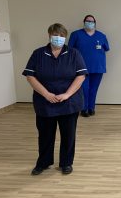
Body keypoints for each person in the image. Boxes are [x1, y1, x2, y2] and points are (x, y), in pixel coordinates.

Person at [23, 23, 88, 175]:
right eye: (55, 35)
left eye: (61, 36)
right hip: (45, 102)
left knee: (68, 134)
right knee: (45, 134)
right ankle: (44, 162)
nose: (58, 38)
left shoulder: (74, 53)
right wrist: (46, 94)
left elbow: (81, 76)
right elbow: (30, 76)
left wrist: (66, 94)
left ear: (65, 37)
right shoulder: (38, 53)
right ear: (49, 36)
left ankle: (66, 163)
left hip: (69, 102)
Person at [68, 15, 110, 117]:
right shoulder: (76, 34)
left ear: (95, 23)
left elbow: (106, 48)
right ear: (84, 22)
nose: (90, 22)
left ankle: (91, 108)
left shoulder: (101, 36)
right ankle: (84, 108)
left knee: (93, 89)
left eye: (92, 21)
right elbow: (70, 50)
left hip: (98, 67)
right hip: (81, 68)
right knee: (84, 89)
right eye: (88, 21)